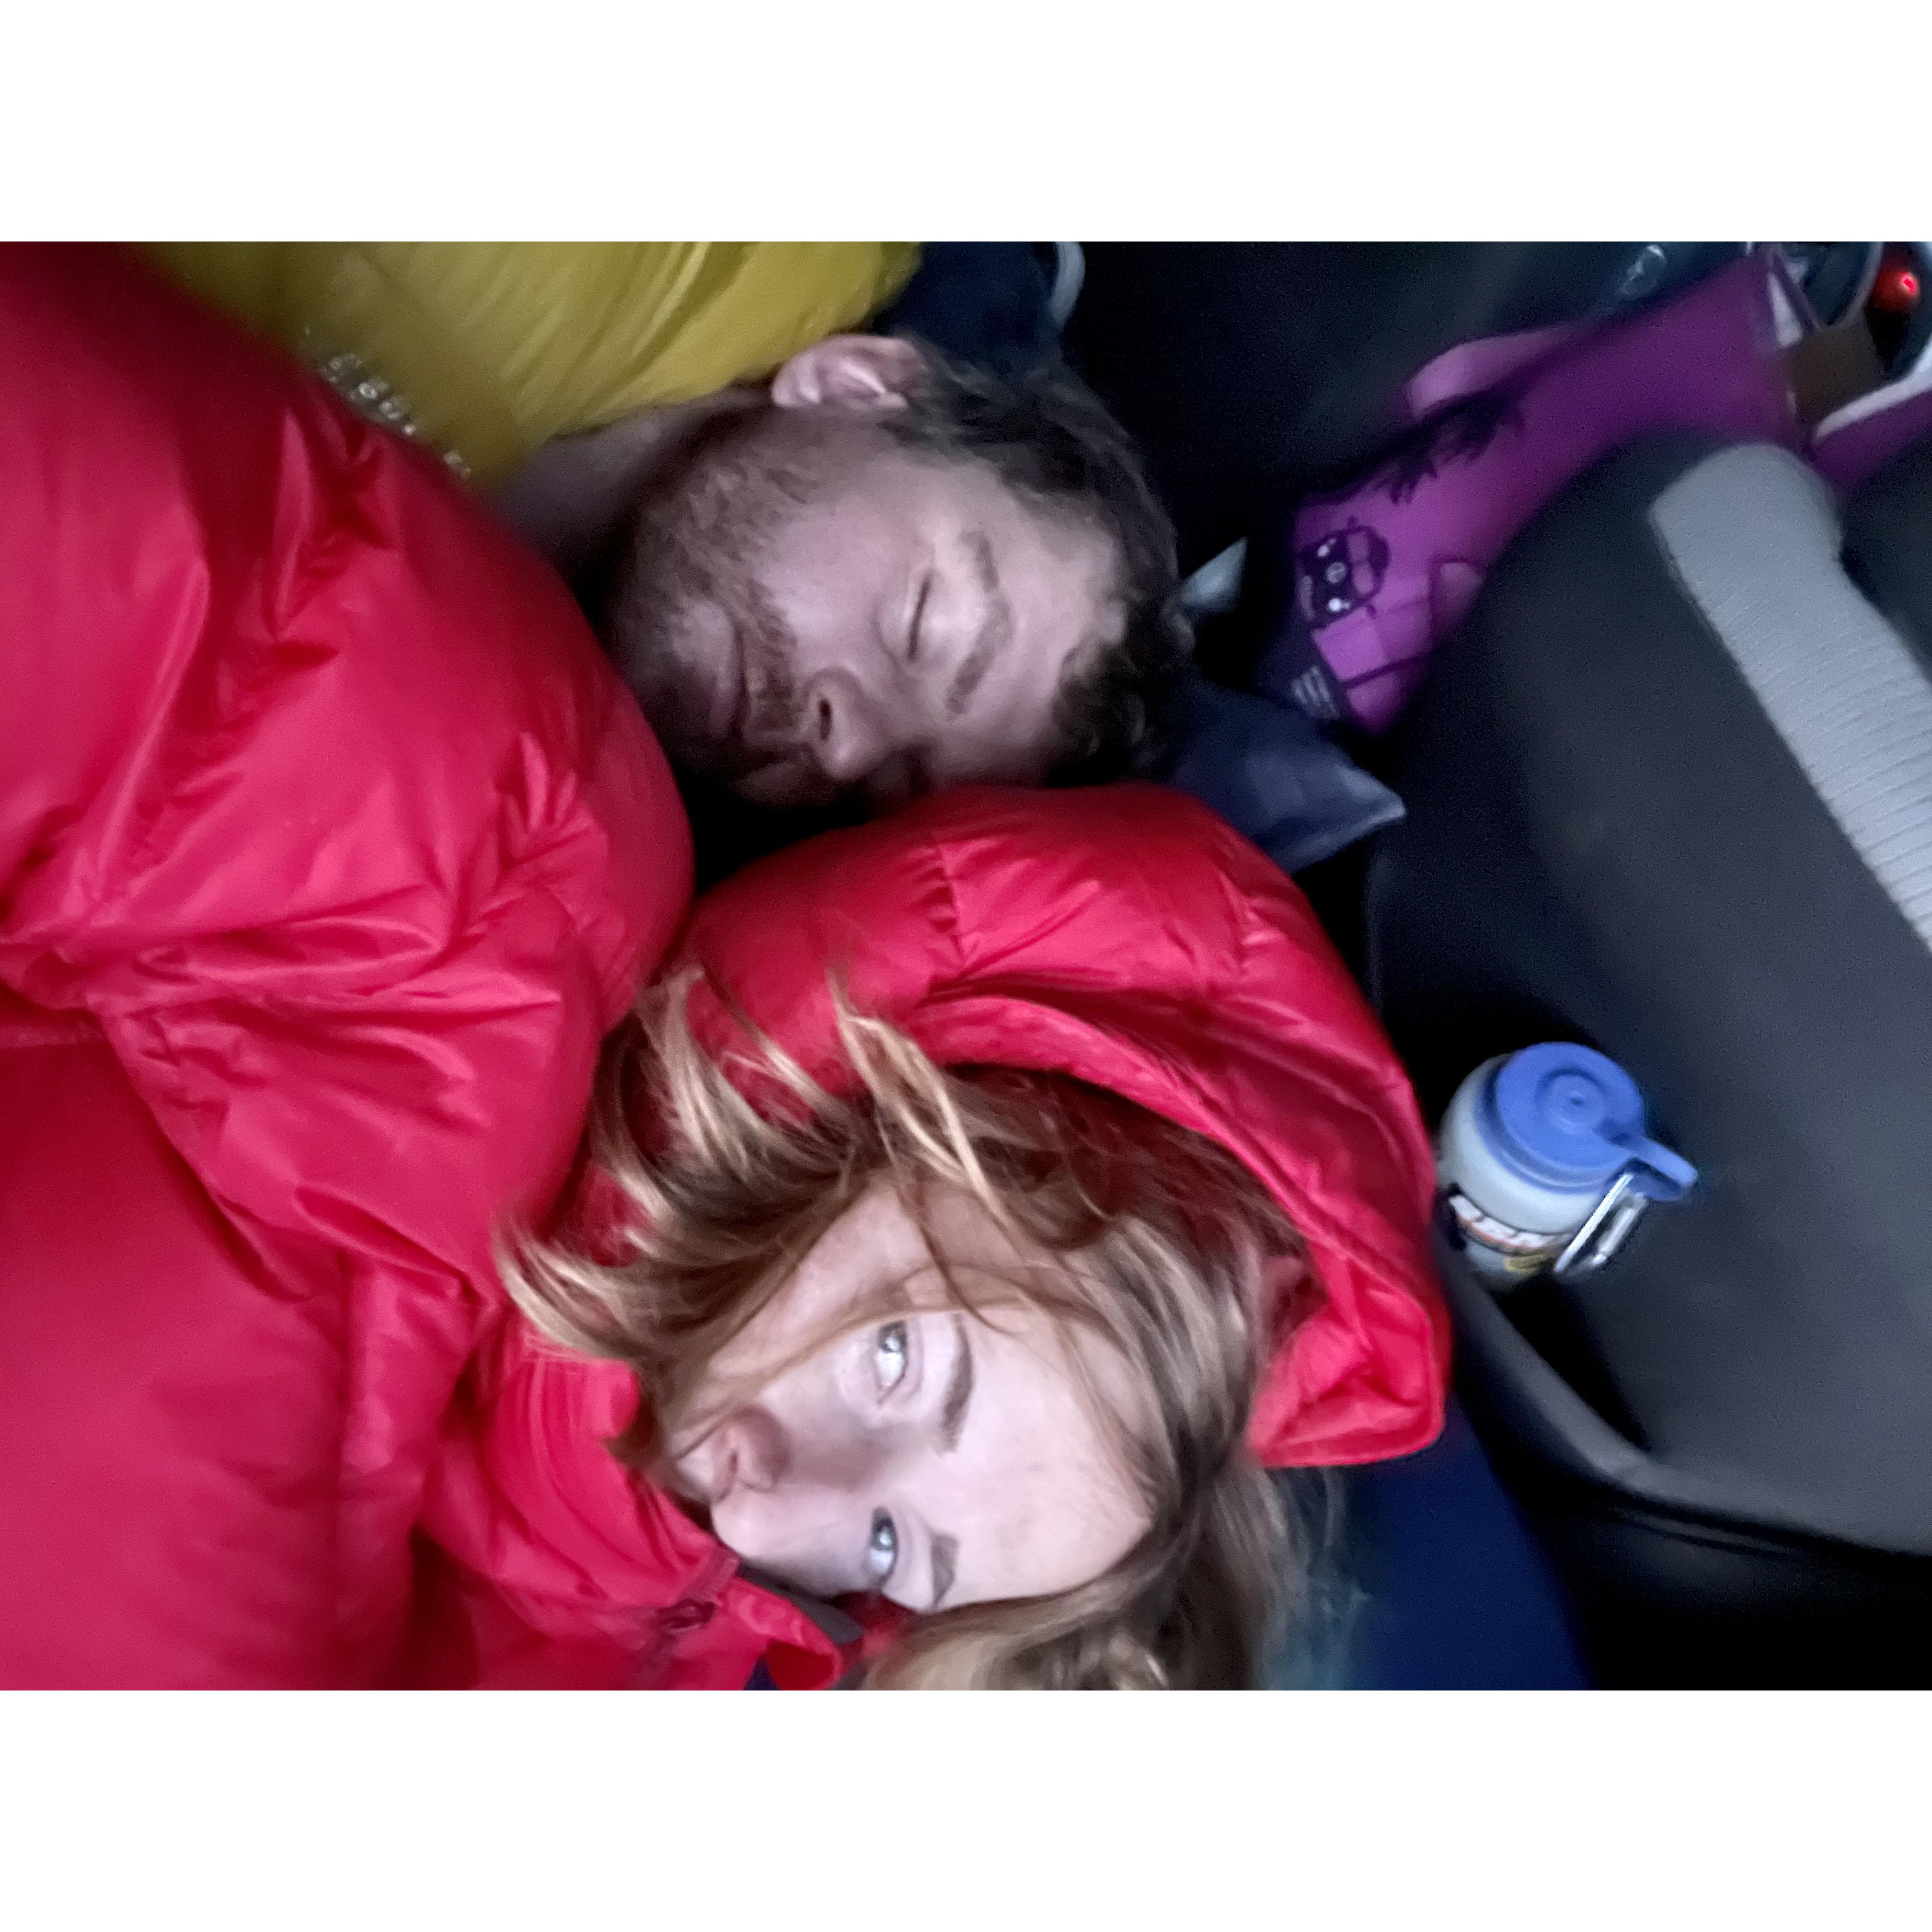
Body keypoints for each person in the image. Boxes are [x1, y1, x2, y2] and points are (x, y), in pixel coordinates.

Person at [406, 785, 1450, 1690]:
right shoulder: (480, 939)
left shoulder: (713, 1596)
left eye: (890, 1548)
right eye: (894, 1358)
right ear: (910, 1124)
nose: (760, 1522)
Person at [150, 242, 1189, 823]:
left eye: (890, 782)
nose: (843, 743)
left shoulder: (501, 783)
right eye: (920, 624)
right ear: (856, 384)